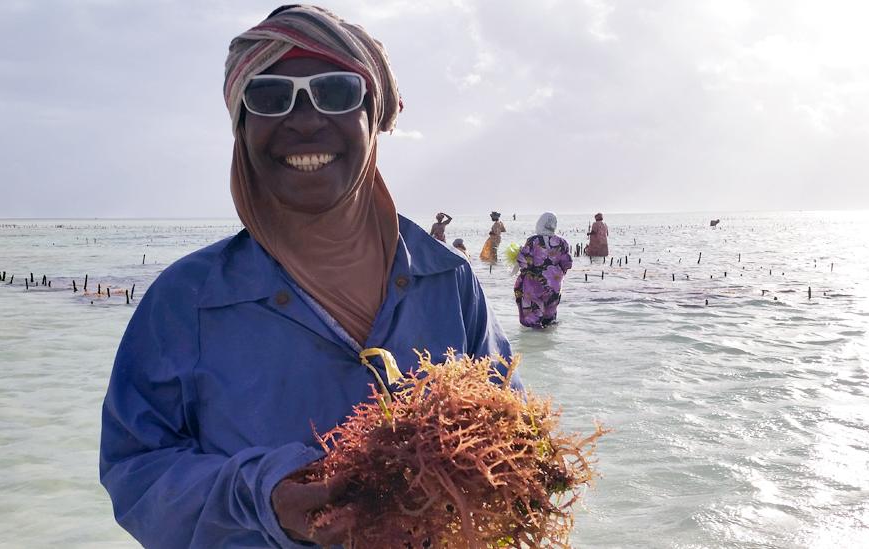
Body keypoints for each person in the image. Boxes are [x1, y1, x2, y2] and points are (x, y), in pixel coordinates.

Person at [99, 6, 520, 549]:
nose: (304, 120)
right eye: (271, 97)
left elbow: (507, 430)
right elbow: (135, 474)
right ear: (242, 128)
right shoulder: (186, 303)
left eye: (336, 92)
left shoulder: (448, 280)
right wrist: (262, 495)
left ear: (373, 116)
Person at [514, 213, 573, 328]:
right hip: (555, 284)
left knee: (533, 317)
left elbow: (524, 261)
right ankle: (548, 343)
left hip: (534, 284)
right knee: (550, 319)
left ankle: (536, 342)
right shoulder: (562, 242)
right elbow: (567, 263)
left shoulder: (533, 240)